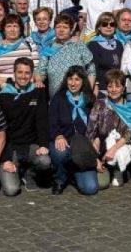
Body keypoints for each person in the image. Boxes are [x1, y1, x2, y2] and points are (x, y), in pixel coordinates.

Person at [0, 57, 52, 194]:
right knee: (11, 190)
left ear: (32, 74)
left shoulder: (38, 92)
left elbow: (42, 121)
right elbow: (0, 131)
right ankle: (15, 169)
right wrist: (6, 159)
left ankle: (30, 174)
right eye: (20, 72)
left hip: (30, 145)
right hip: (10, 148)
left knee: (45, 161)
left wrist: (43, 144)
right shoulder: (3, 96)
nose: (23, 76)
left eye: (27, 73)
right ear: (14, 74)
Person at [47, 66, 99, 195]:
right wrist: (58, 135)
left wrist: (97, 139)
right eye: (70, 79)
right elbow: (51, 122)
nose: (73, 83)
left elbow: (98, 124)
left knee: (91, 188)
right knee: (61, 153)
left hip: (83, 146)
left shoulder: (90, 99)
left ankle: (74, 173)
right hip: (65, 142)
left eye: (77, 79)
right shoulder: (58, 98)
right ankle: (60, 179)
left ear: (83, 81)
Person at [86, 69, 131, 189]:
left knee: (121, 153)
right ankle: (103, 167)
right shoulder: (100, 104)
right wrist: (95, 153)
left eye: (117, 86)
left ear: (123, 88)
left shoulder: (130, 106)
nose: (113, 89)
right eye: (110, 86)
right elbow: (90, 131)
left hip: (121, 145)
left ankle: (118, 170)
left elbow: (129, 134)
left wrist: (113, 149)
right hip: (101, 147)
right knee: (102, 184)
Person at [35, 13, 94, 92]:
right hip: (56, 98)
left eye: (65, 27)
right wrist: (38, 80)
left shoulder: (78, 45)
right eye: (58, 27)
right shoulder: (49, 48)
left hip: (79, 97)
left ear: (71, 30)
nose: (61, 30)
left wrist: (89, 91)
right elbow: (40, 71)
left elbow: (91, 69)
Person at [0, 15, 38, 88]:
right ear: (3, 29)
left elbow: (36, 69)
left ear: (20, 29)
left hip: (26, 89)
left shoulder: (30, 45)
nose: (12, 29)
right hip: (2, 90)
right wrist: (5, 86)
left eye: (15, 26)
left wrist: (25, 85)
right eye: (9, 26)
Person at [88, 11, 126, 92]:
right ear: (99, 27)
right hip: (101, 88)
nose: (109, 27)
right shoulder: (93, 45)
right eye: (105, 24)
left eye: (112, 24)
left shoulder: (119, 44)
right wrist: (95, 86)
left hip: (117, 89)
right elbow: (92, 69)